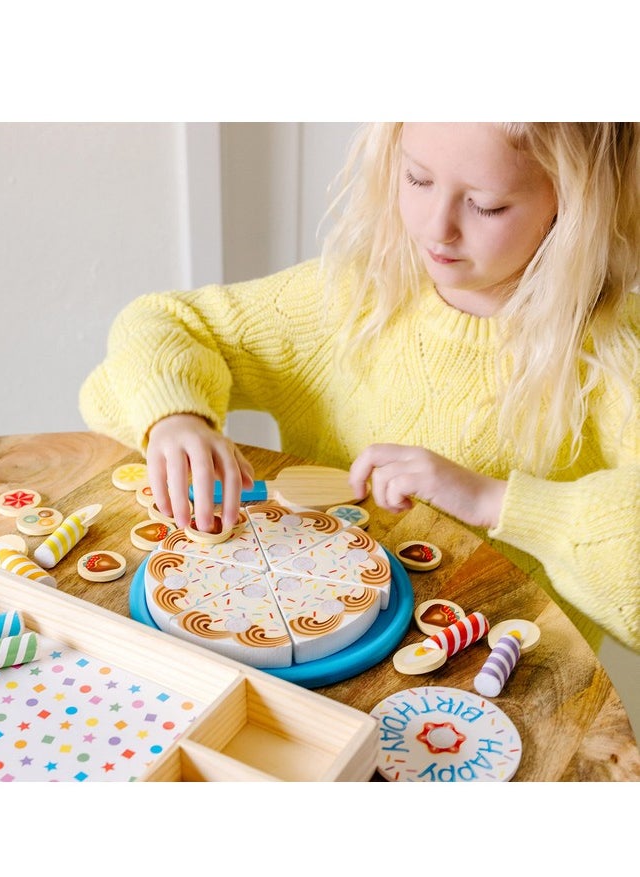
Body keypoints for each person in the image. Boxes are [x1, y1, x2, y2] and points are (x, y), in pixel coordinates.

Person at [79, 122, 639, 655]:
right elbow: (156, 329)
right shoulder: (354, 298)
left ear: (575, 201)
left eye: (486, 204)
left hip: (502, 687)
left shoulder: (614, 353)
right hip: (307, 644)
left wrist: (494, 500)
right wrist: (177, 418)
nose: (435, 227)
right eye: (417, 178)